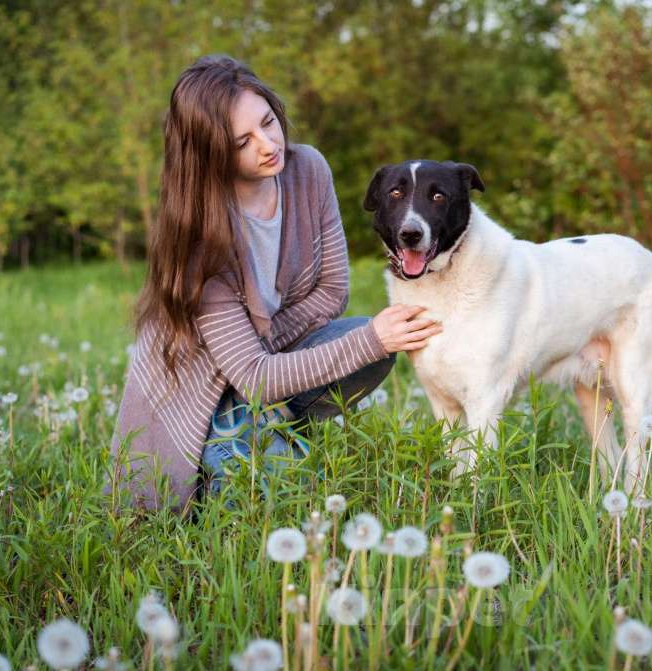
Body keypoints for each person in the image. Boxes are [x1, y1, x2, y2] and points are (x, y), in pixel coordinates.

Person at [106, 55, 442, 513]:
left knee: (359, 348)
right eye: (242, 141)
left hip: (258, 367)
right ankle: (223, 452)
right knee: (273, 502)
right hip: (202, 389)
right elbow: (256, 378)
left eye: (267, 122)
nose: (267, 145)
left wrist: (264, 352)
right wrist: (372, 339)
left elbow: (332, 291)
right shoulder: (200, 238)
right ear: (210, 154)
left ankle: (273, 431)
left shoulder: (308, 171)